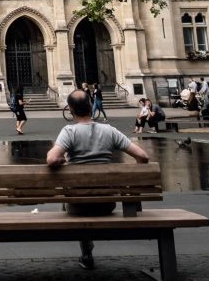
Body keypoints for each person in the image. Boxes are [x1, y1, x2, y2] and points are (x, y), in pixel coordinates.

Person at [47, 89, 149, 270]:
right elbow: (143, 157)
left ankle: (86, 252)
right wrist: (134, 190)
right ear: (91, 107)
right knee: (87, 197)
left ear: (70, 110)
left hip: (77, 205)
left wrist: (63, 160)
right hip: (107, 202)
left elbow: (52, 160)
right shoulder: (109, 131)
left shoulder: (69, 131)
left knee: (72, 199)